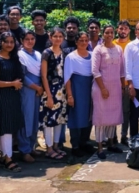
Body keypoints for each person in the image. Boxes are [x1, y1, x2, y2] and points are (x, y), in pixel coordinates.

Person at [0, 32, 25, 173]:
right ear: (1, 43)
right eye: (6, 41)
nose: (9, 44)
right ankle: (8, 159)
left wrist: (15, 84)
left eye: (11, 42)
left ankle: (5, 156)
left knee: (11, 127)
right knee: (5, 128)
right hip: (2, 97)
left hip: (14, 96)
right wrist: (12, 83)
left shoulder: (14, 58)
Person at [90, 26, 125, 158]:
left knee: (113, 116)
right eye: (107, 32)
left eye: (111, 32)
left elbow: (122, 70)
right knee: (100, 117)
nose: (109, 35)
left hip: (115, 88)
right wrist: (103, 88)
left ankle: (111, 143)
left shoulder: (119, 49)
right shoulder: (98, 49)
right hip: (100, 88)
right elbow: (95, 71)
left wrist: (122, 87)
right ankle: (100, 147)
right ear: (103, 34)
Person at [63, 32, 96, 161]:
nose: (83, 42)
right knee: (76, 117)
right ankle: (75, 145)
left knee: (89, 117)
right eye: (81, 40)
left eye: (85, 40)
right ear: (76, 42)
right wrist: (70, 96)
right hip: (77, 89)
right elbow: (67, 78)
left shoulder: (93, 55)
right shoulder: (71, 57)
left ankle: (84, 142)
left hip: (90, 89)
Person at [40, 27, 68, 160]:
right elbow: (44, 76)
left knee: (59, 119)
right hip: (50, 91)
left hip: (61, 91)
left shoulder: (64, 52)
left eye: (60, 36)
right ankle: (49, 148)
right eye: (55, 36)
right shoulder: (46, 53)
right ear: (50, 37)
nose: (58, 39)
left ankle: (56, 146)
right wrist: (49, 96)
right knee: (48, 120)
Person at [18, 30, 44, 163]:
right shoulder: (20, 55)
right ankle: (24, 150)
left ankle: (32, 146)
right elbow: (22, 75)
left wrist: (41, 88)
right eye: (27, 39)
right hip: (27, 90)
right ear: (22, 41)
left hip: (38, 91)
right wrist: (36, 87)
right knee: (26, 119)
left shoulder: (38, 54)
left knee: (35, 119)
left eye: (32, 39)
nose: (30, 41)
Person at [114, 20, 131, 146]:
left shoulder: (132, 45)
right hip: (113, 84)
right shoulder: (111, 44)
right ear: (117, 30)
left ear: (129, 31)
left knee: (126, 111)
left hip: (127, 83)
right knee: (113, 110)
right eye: (121, 28)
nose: (123, 30)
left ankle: (124, 135)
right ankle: (112, 136)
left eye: (125, 28)